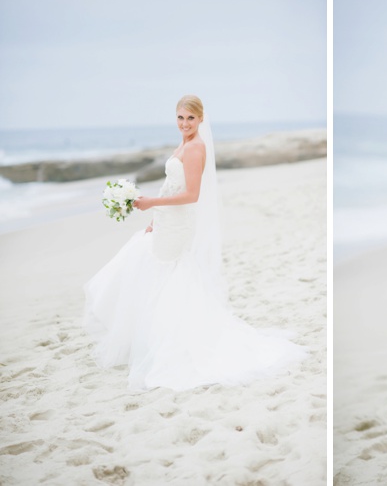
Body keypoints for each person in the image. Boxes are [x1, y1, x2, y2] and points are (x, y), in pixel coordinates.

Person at [84, 95, 306, 391]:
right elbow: (172, 185)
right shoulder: (184, 144)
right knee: (157, 272)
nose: (185, 124)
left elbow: (191, 195)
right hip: (167, 220)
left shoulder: (196, 147)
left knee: (165, 275)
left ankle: (171, 344)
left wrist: (151, 202)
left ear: (201, 119)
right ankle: (153, 340)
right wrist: (156, 216)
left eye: (190, 118)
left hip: (179, 223)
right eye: (180, 118)